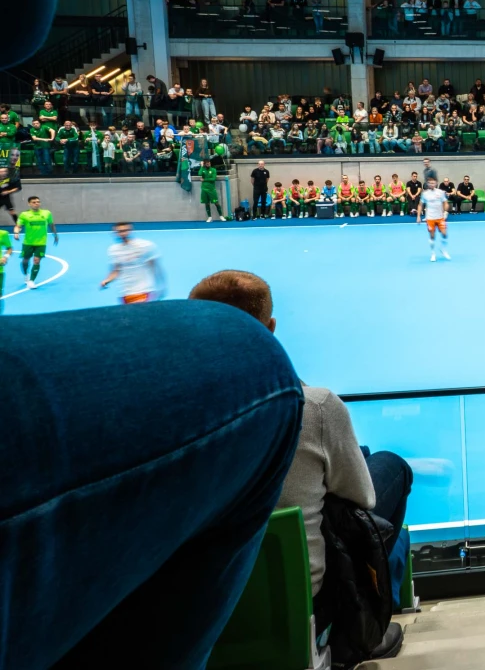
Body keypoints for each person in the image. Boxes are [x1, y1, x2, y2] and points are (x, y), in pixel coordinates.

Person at [188, 271, 408, 662]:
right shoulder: (315, 406)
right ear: (270, 328)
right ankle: (361, 630)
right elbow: (364, 498)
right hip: (302, 600)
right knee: (389, 467)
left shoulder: (167, 418)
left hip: (198, 606)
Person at [99, 222, 164, 304]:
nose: (123, 234)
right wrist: (107, 280)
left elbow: (155, 267)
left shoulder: (145, 245)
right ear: (115, 233)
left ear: (131, 231)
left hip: (144, 291)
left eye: (125, 230)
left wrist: (161, 286)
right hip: (125, 293)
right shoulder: (113, 250)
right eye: (119, 232)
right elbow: (116, 270)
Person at [15, 195, 57, 289]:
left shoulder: (46, 213)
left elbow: (51, 224)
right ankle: (26, 274)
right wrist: (16, 233)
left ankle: (31, 281)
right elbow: (18, 226)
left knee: (36, 261)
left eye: (38, 202)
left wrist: (55, 235)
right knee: (25, 260)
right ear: (29, 204)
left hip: (41, 243)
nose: (36, 204)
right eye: (34, 202)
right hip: (28, 243)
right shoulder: (24, 215)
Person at [415, 174, 451, 261]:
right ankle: (433, 253)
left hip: (440, 217)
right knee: (432, 236)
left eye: (433, 183)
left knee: (444, 234)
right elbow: (420, 205)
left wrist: (445, 211)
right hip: (430, 218)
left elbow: (445, 203)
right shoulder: (425, 194)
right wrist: (418, 216)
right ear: (427, 184)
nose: (432, 184)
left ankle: (442, 249)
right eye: (430, 183)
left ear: (436, 183)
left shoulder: (441, 192)